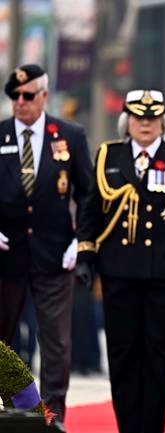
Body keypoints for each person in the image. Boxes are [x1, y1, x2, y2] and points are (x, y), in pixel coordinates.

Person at [75, 89, 165, 433]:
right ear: (127, 122)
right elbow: (91, 211)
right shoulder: (109, 156)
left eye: (152, 118)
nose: (146, 124)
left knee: (159, 357)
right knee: (122, 356)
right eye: (139, 117)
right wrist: (85, 256)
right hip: (119, 272)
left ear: (162, 123)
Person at [0, 64, 93, 430]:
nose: (19, 103)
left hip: (55, 253)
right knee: (3, 338)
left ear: (43, 96)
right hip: (6, 255)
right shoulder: (1, 134)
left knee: (55, 342)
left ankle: (52, 414)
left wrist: (79, 241)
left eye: (27, 96)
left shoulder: (68, 135)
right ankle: (8, 406)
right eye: (14, 97)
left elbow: (88, 195)